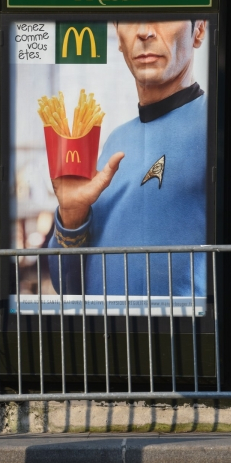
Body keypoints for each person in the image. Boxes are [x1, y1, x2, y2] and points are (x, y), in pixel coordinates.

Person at [48, 20, 208, 298]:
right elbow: (66, 286)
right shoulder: (114, 142)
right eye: (131, 18)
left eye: (165, 13)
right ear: (118, 38)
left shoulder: (222, 128)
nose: (145, 31)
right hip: (102, 338)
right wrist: (71, 217)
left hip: (185, 339)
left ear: (199, 30)